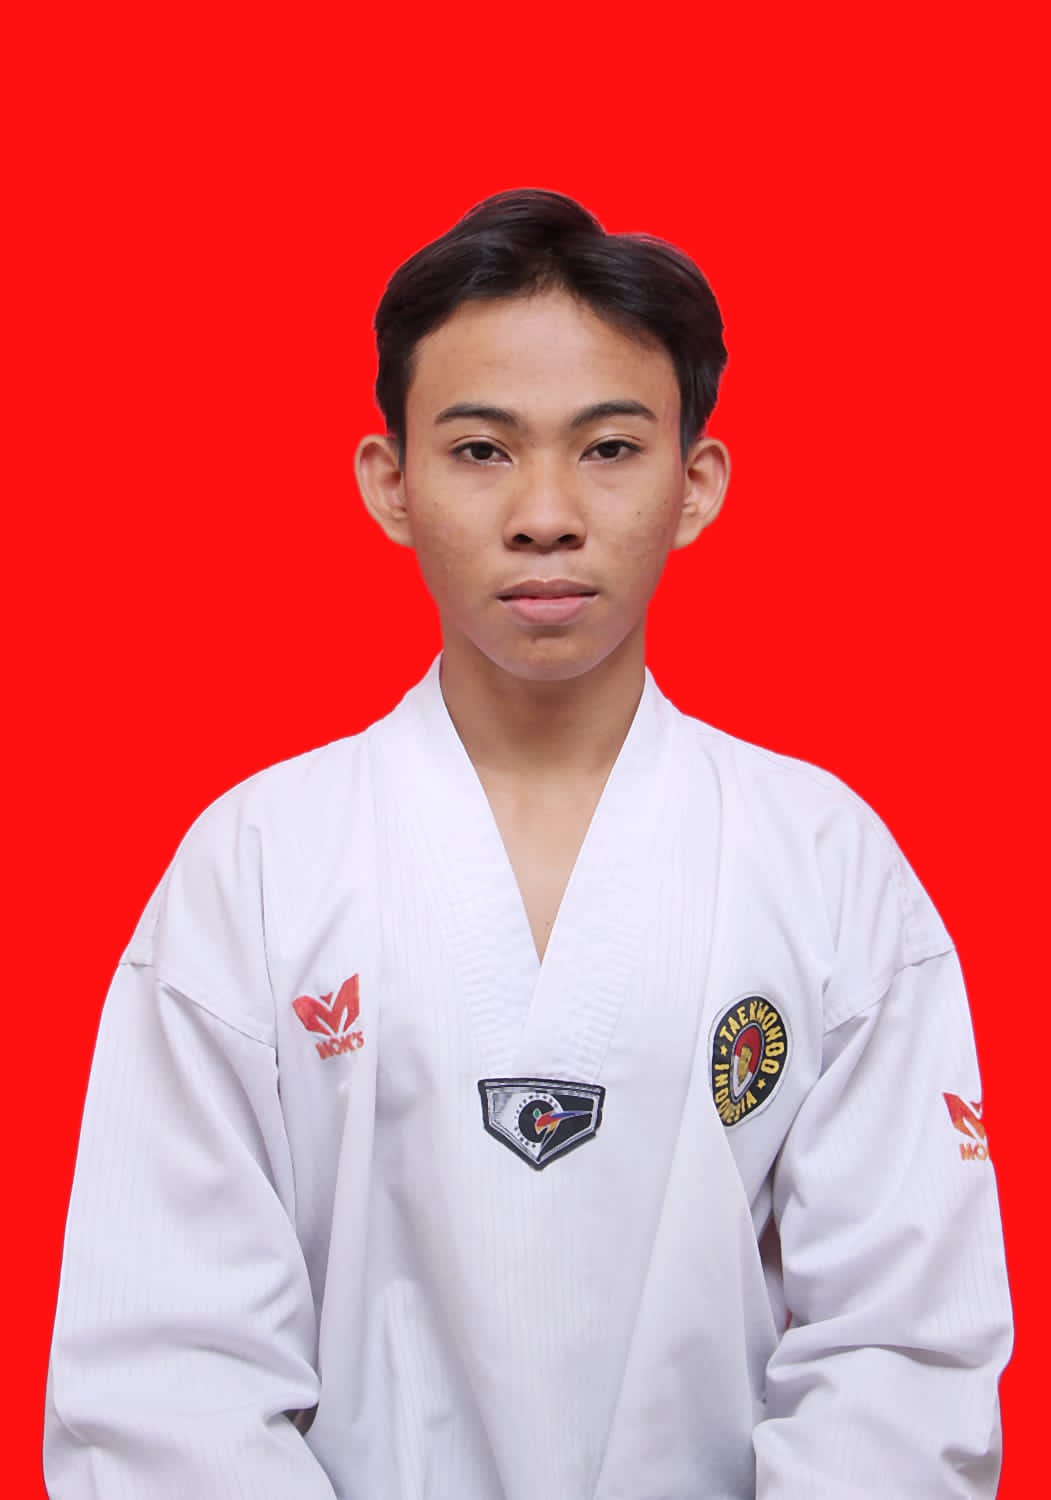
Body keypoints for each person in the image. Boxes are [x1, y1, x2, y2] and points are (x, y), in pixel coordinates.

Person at [43, 189, 1013, 1498]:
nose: (545, 513)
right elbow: (166, 1366)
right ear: (390, 483)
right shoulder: (259, 865)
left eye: (608, 448)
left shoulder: (827, 865)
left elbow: (901, 1351)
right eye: (481, 450)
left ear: (695, 484)